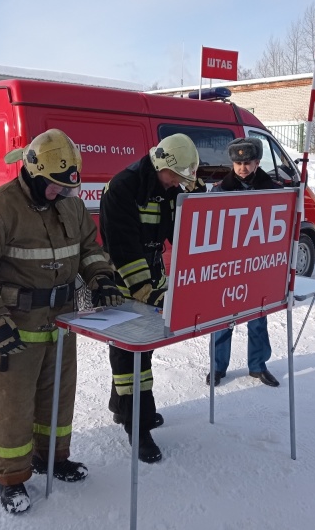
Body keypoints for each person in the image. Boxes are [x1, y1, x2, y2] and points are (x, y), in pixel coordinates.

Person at [0, 128, 124, 514]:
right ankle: (12, 477)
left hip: (63, 321)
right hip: (17, 325)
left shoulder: (70, 205)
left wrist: (101, 278)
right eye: (54, 187)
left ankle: (53, 458)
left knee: (58, 397)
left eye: (67, 188)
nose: (61, 194)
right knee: (13, 403)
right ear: (33, 174)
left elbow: (89, 249)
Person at [99, 133, 204, 463]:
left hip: (152, 273)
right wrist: (144, 290)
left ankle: (122, 406)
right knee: (131, 356)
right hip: (122, 278)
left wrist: (194, 199)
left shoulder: (167, 189)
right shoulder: (122, 188)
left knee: (145, 350)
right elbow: (123, 248)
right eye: (175, 177)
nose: (176, 184)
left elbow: (179, 233)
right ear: (160, 164)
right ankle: (138, 427)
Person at [205, 137, 282, 389]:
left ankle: (258, 366)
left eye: (247, 162)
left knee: (258, 317)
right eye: (238, 163)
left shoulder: (271, 189)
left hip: (258, 265)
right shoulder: (220, 190)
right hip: (229, 265)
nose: (242, 168)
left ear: (258, 162)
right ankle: (217, 367)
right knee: (222, 317)